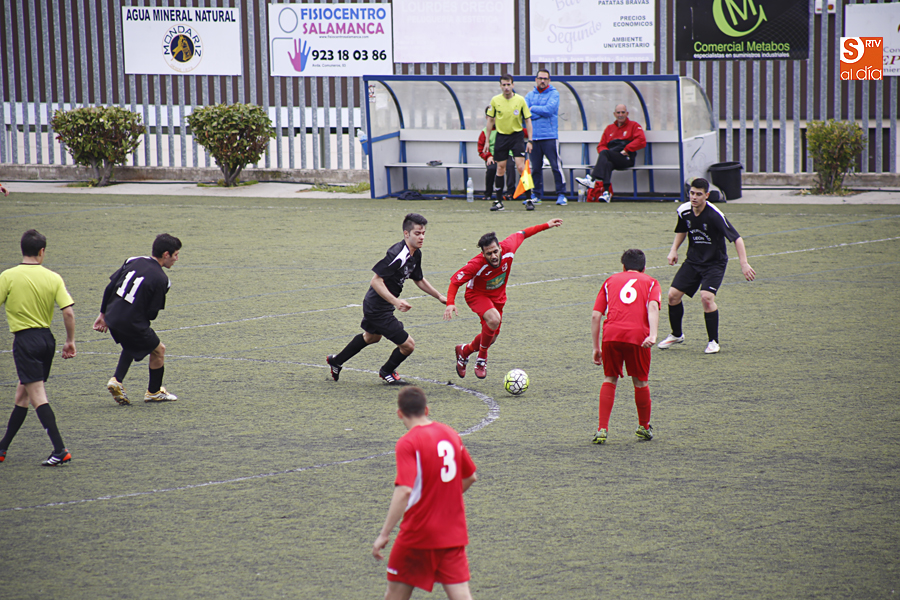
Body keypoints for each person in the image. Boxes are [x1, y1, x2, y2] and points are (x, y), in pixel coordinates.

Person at [372, 386, 477, 600]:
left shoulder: (408, 442)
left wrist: (384, 534)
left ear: (399, 413)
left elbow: (404, 490)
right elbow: (470, 477)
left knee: (395, 596)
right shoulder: (450, 434)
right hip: (452, 533)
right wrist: (443, 499)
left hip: (418, 534)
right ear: (426, 410)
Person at [327, 213, 446, 385]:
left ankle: (336, 361)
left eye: (423, 233)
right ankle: (387, 371)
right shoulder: (397, 254)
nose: (421, 237)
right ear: (406, 234)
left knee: (372, 337)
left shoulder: (416, 253)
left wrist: (439, 296)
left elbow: (418, 279)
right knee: (408, 345)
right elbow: (376, 281)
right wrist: (396, 302)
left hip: (380, 305)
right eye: (417, 233)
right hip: (377, 307)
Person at [444, 218, 563, 380]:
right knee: (493, 320)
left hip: (498, 298)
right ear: (483, 254)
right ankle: (481, 359)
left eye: (495, 251)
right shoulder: (476, 264)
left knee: (491, 338)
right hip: (476, 295)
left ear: (500, 247)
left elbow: (524, 233)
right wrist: (450, 303)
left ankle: (464, 351)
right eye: (489, 254)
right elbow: (455, 281)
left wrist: (546, 225)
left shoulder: (509, 247)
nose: (493, 256)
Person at [0, 229, 76, 466]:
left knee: (37, 397)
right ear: (42, 251)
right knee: (22, 395)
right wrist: (70, 341)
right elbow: (68, 313)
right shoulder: (53, 277)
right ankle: (2, 447)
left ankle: (60, 449)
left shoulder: (8, 276)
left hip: (25, 341)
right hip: (46, 341)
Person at [657, 178, 756, 354]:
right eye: (692, 193)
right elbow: (682, 229)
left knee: (706, 297)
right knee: (672, 296)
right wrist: (673, 250)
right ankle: (676, 335)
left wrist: (744, 264)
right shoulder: (684, 210)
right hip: (693, 261)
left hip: (714, 263)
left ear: (707, 195)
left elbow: (737, 238)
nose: (694, 197)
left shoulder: (714, 215)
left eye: (699, 194)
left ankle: (713, 341)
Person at [92, 233, 182, 404]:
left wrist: (102, 314)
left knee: (132, 343)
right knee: (159, 350)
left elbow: (110, 287)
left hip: (112, 315)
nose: (177, 259)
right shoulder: (162, 279)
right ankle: (153, 392)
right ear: (166, 254)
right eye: (175, 255)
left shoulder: (133, 260)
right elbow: (152, 313)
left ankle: (117, 380)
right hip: (132, 322)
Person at [591, 249, 661, 444]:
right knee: (640, 381)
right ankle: (644, 427)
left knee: (609, 378)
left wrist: (596, 347)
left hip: (611, 335)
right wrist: (653, 335)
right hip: (638, 337)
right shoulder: (651, 282)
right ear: (644, 268)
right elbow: (653, 307)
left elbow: (596, 315)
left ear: (623, 266)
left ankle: (602, 429)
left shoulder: (610, 281)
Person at [575, 104, 646, 203]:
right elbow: (601, 145)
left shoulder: (634, 125)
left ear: (627, 113)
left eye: (623, 112)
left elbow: (641, 140)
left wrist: (627, 149)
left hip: (626, 158)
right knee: (607, 163)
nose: (620, 115)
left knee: (606, 154)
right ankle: (606, 193)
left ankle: (592, 178)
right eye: (618, 112)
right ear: (614, 114)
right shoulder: (609, 128)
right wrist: (605, 154)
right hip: (612, 156)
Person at [484, 73, 534, 212]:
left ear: (513, 85)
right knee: (500, 168)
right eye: (504, 85)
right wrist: (487, 140)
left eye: (508, 84)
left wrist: (530, 140)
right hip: (501, 137)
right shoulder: (495, 100)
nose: (506, 87)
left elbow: (528, 120)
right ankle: (499, 201)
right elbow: (490, 120)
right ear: (500, 86)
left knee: (521, 167)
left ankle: (529, 199)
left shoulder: (520, 100)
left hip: (516, 136)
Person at [525, 69, 567, 206]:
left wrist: (532, 109)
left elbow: (549, 110)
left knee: (555, 166)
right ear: (536, 79)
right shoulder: (529, 95)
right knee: (535, 168)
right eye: (540, 78)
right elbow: (524, 113)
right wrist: (537, 111)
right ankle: (536, 195)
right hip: (534, 138)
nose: (542, 81)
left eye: (545, 79)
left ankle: (561, 194)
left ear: (549, 80)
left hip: (550, 137)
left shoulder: (554, 93)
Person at [477, 106, 516, 201]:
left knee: (510, 166)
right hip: (492, 156)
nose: (493, 118)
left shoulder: (505, 128)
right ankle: (488, 193)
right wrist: (488, 156)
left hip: (506, 154)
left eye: (495, 116)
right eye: (491, 116)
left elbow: (519, 133)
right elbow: (481, 149)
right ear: (487, 118)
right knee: (491, 168)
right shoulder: (484, 132)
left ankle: (510, 193)